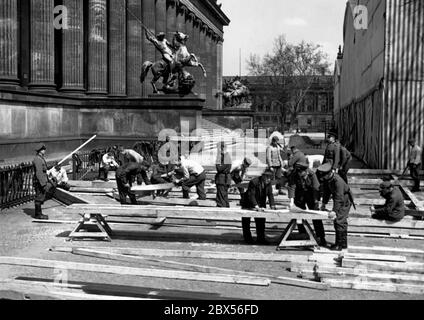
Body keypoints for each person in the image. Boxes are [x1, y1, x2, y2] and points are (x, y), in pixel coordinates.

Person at [288, 162, 327, 246]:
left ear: (305, 171)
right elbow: (292, 187)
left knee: (316, 216)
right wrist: (291, 202)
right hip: (299, 196)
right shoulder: (294, 174)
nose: (299, 174)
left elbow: (316, 188)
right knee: (299, 215)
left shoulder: (312, 174)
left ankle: (321, 237)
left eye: (301, 172)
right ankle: (303, 234)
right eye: (298, 172)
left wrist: (316, 201)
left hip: (311, 195)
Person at [317, 163, 353, 251]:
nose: (323, 178)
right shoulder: (328, 179)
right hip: (340, 199)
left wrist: (334, 211)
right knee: (341, 221)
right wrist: (324, 203)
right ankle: (343, 244)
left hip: (344, 200)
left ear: (329, 173)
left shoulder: (338, 181)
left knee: (339, 221)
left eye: (324, 176)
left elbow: (338, 198)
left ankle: (339, 245)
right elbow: (327, 192)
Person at [240, 170, 277, 245]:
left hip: (261, 203)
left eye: (270, 178)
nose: (268, 179)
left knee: (261, 221)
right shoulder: (254, 182)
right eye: (267, 177)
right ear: (263, 176)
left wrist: (272, 205)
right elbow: (251, 195)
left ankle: (261, 239)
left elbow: (270, 194)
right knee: (246, 221)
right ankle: (248, 239)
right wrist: (256, 206)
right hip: (248, 203)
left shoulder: (268, 183)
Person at [32, 143, 56, 220]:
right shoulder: (38, 159)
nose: (45, 150)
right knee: (39, 197)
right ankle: (38, 215)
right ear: (40, 150)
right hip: (39, 182)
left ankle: (39, 213)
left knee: (41, 196)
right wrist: (43, 184)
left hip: (41, 181)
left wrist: (50, 167)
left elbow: (43, 169)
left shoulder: (40, 158)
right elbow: (39, 173)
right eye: (43, 149)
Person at [215, 142, 232, 208]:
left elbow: (219, 168)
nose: (217, 150)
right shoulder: (224, 156)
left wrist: (217, 162)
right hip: (223, 179)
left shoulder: (225, 157)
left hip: (222, 179)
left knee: (221, 197)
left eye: (218, 148)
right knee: (224, 196)